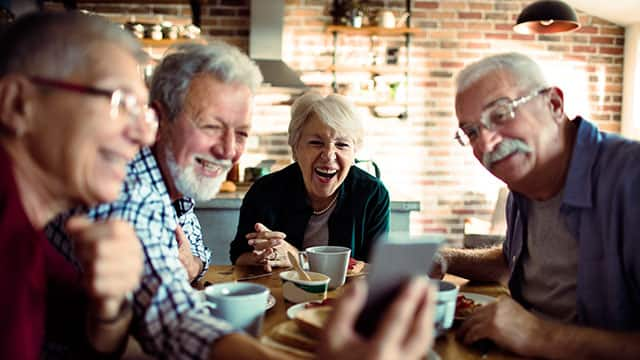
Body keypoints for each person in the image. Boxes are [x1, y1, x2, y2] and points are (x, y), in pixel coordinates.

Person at [47, 41, 437, 359]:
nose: (229, 151)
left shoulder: (173, 189)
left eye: (242, 134)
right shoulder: (132, 193)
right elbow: (176, 321)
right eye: (211, 126)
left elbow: (193, 269)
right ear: (158, 119)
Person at [435, 52, 640, 359]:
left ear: (554, 104)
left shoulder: (631, 178)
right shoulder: (524, 183)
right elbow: (516, 263)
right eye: (472, 132)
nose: (487, 143)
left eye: (501, 114)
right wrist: (446, 258)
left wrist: (539, 335)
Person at [0, 11, 153, 358]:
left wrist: (109, 306)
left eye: (144, 113)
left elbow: (87, 338)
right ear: (17, 104)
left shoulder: (30, 234)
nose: (143, 136)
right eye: (121, 102)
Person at [230, 92, 390, 271]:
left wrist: (298, 259)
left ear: (354, 152)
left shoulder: (372, 194)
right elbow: (238, 256)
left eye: (342, 144)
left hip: (346, 297)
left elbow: (377, 268)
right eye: (316, 142)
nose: (329, 155)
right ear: (295, 147)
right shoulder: (264, 191)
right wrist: (265, 256)